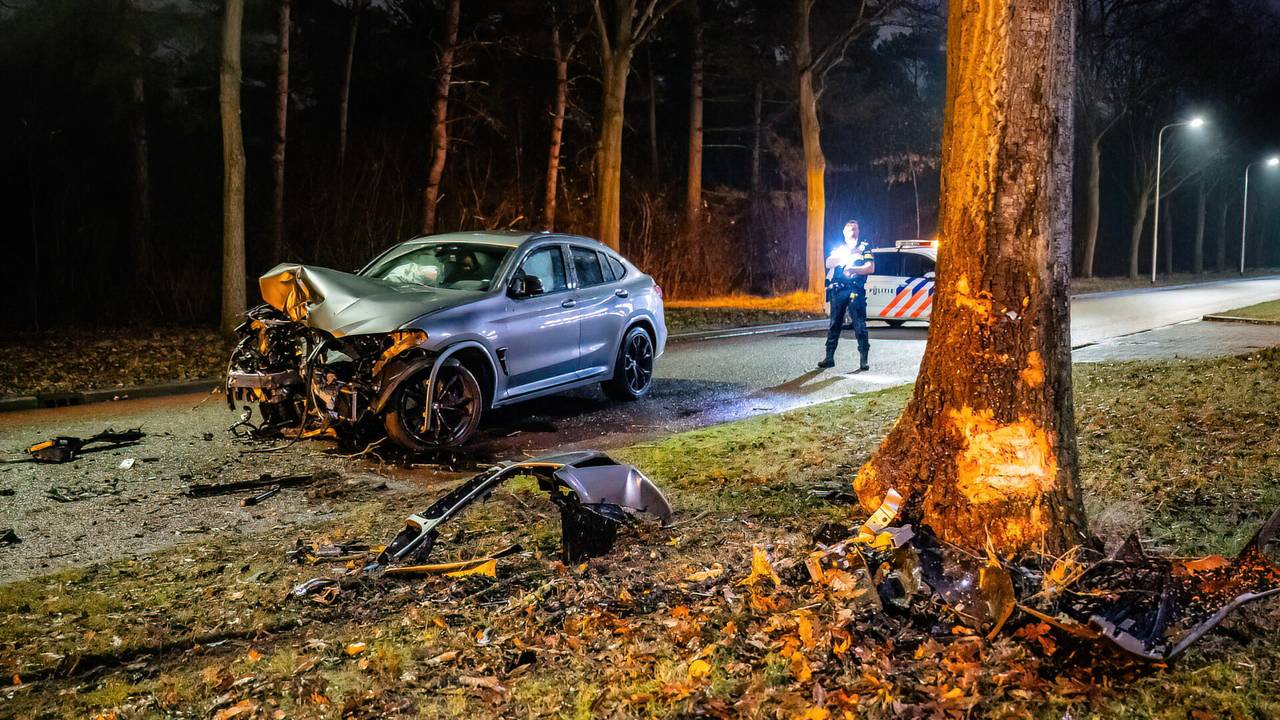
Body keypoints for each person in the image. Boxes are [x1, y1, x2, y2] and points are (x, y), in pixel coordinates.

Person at [819, 219, 874, 371]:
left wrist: (853, 269)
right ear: (844, 233)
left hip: (855, 289)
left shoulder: (864, 248)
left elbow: (870, 268)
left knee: (859, 325)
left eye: (855, 229)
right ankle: (829, 357)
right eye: (850, 229)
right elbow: (829, 262)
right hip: (839, 290)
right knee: (834, 324)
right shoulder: (839, 248)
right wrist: (847, 254)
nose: (853, 232)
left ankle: (864, 360)